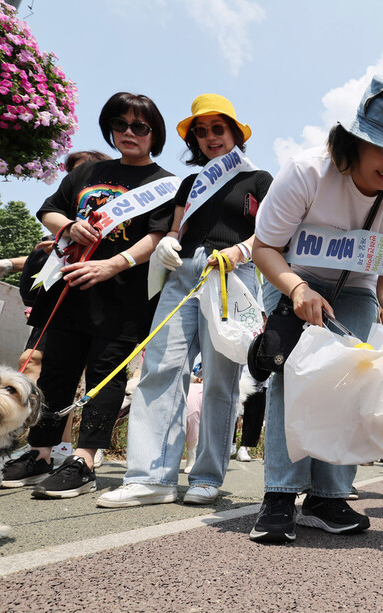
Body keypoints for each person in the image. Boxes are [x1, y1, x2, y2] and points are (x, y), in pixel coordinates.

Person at [248, 76, 383, 544]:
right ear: (355, 139)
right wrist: (296, 291)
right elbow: (266, 247)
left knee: (349, 380)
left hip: (355, 292)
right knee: (294, 375)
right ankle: (279, 494)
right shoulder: (307, 172)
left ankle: (329, 497)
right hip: (292, 278)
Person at [96, 93, 272, 508]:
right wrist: (168, 245)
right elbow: (177, 228)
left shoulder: (259, 179)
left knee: (220, 379)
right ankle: (150, 477)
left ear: (234, 133)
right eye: (202, 131)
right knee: (161, 367)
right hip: (184, 273)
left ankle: (207, 475)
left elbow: (272, 231)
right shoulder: (191, 183)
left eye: (218, 128)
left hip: (232, 274)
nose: (210, 137)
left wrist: (243, 251)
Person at [0, 92, 175, 498]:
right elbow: (49, 209)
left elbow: (158, 235)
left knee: (104, 376)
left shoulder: (165, 184)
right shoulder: (88, 172)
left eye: (139, 126)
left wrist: (113, 264)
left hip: (122, 298)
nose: (128, 133)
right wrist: (67, 227)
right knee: (56, 371)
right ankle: (39, 453)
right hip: (69, 289)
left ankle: (84, 459)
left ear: (154, 133)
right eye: (120, 124)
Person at [0, 150, 112, 465]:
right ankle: (42, 443)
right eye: (72, 172)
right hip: (51, 301)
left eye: (85, 171)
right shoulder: (62, 212)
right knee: (41, 365)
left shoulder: (109, 215)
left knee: (59, 367)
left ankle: (65, 445)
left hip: (89, 300)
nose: (77, 178)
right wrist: (10, 264)